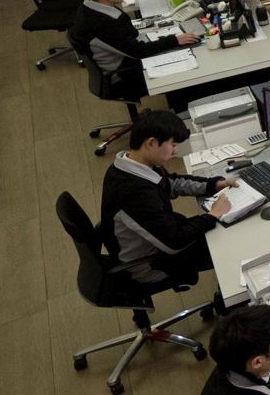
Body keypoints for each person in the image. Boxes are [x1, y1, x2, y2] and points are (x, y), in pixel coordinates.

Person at [99, 110, 240, 284]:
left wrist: (215, 185)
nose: (175, 152)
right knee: (230, 241)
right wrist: (213, 214)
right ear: (151, 143)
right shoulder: (133, 193)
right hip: (151, 264)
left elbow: (171, 184)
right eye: (173, 145)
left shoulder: (133, 164)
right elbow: (174, 243)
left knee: (221, 226)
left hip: (162, 236)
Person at [69, 0, 201, 93]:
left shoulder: (91, 5)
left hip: (121, 58)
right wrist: (174, 40)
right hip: (120, 75)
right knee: (185, 71)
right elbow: (137, 51)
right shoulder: (100, 24)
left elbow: (131, 33)